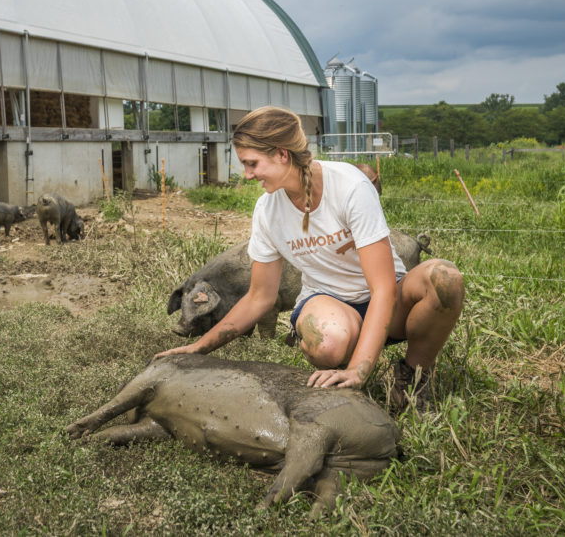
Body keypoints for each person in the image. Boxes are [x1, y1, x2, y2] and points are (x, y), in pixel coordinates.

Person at [155, 106, 464, 414]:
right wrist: (200, 346)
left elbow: (383, 289)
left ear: (281, 154)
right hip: (331, 304)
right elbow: (260, 297)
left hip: (390, 302)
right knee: (324, 341)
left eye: (252, 163)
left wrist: (359, 370)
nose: (247, 175)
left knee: (445, 278)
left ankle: (412, 375)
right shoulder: (267, 211)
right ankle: (341, 371)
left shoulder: (350, 186)